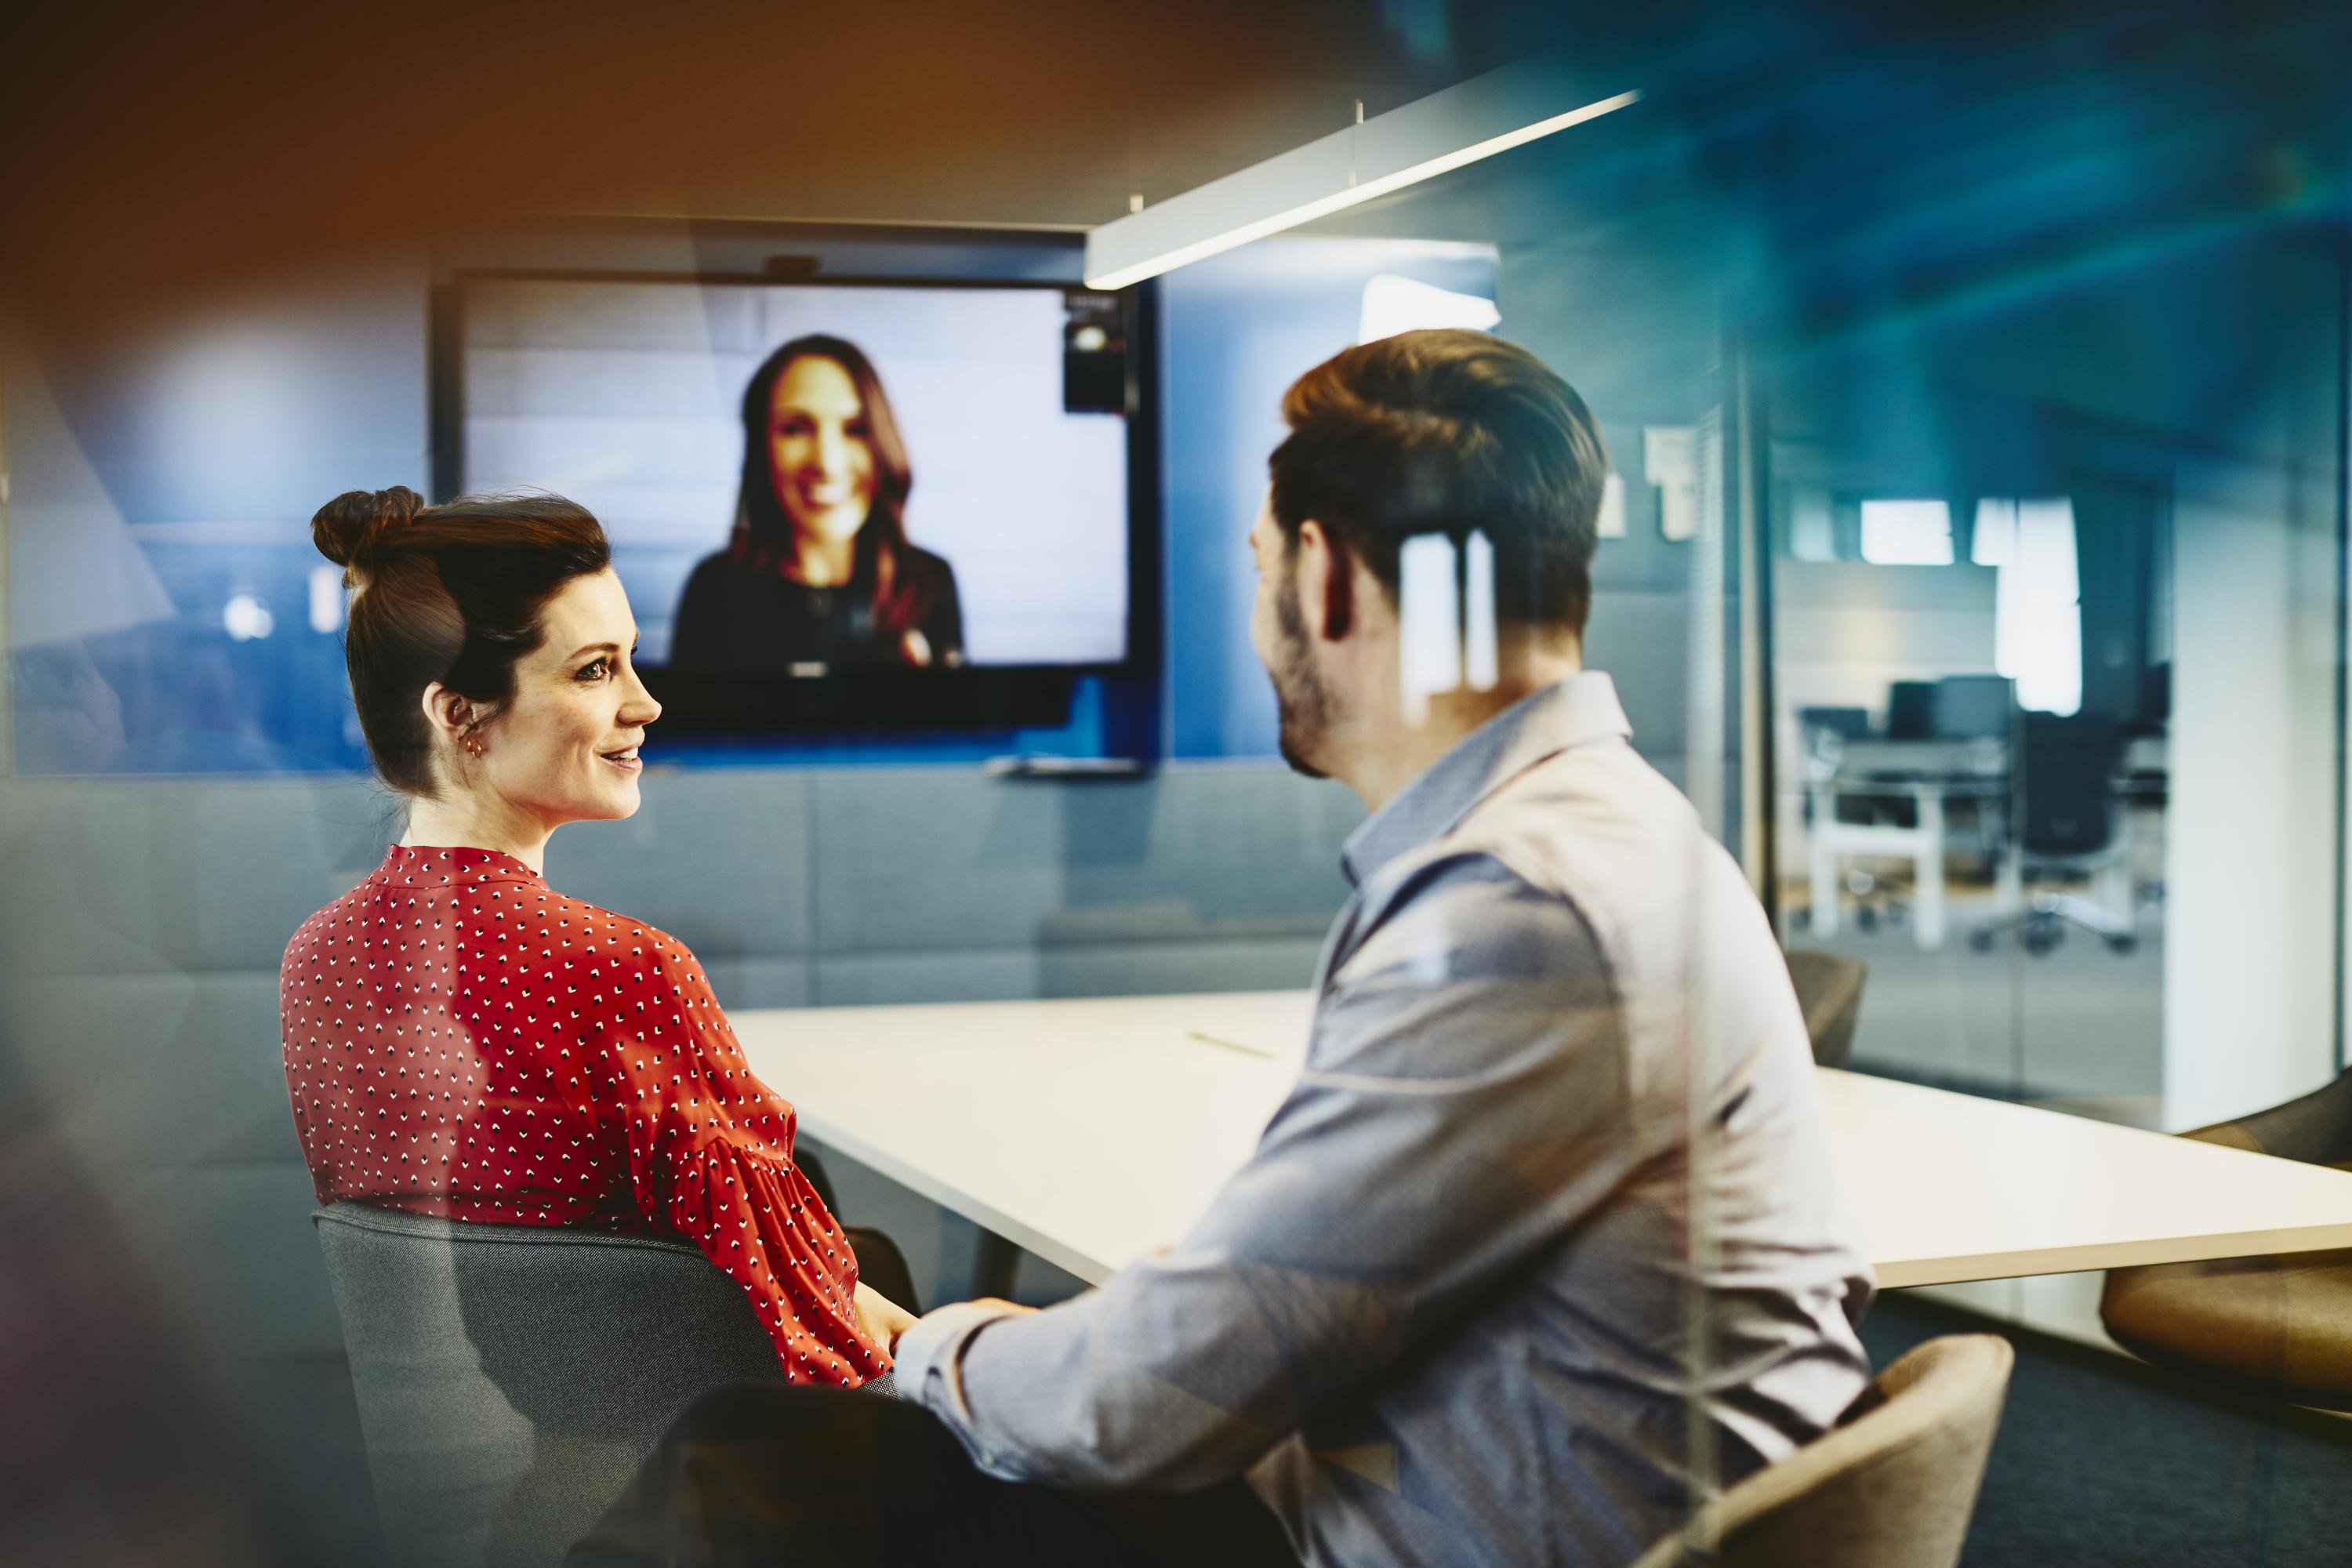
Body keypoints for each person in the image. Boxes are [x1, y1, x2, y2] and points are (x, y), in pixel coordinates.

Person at [572, 330, 1874, 1567]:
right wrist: (1078, 1355)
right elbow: (1254, 1331)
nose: (1261, 619)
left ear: (1326, 578)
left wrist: (926, 1349)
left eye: (1259, 571)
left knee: (746, 1460)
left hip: (1437, 1529)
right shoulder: (1609, 838)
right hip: (1473, 1466)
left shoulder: (1521, 901)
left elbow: (1158, 1400)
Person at [282, 485, 913, 1390]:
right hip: (676, 1455)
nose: (646, 702)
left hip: (479, 1445)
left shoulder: (318, 954)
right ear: (460, 714)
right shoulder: (627, 971)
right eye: (594, 671)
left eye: (631, 661)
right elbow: (816, 1312)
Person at [670, 336, 964, 673]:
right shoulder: (715, 588)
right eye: (795, 429)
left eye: (855, 429)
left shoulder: (928, 581)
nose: (827, 462)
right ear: (761, 448)